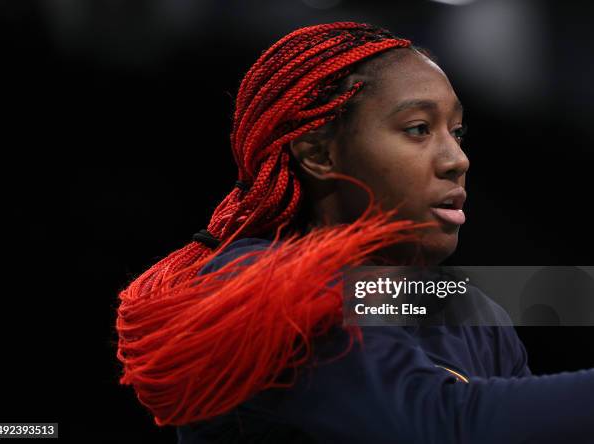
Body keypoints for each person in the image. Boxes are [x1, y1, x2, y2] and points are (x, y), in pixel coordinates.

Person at [115, 22, 594, 443]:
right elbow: (439, 425)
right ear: (319, 154)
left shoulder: (467, 311)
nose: (457, 159)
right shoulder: (249, 281)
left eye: (458, 132)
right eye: (418, 128)